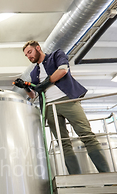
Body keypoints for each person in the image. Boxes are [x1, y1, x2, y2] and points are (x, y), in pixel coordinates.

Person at [14, 40, 110, 175]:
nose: (29, 56)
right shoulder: (34, 72)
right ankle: (76, 179)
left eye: (30, 52)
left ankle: (106, 173)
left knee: (86, 135)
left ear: (38, 48)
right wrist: (25, 87)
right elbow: (34, 94)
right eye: (26, 55)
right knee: (63, 143)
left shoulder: (56, 55)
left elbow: (63, 70)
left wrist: (46, 82)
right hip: (49, 107)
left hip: (67, 101)